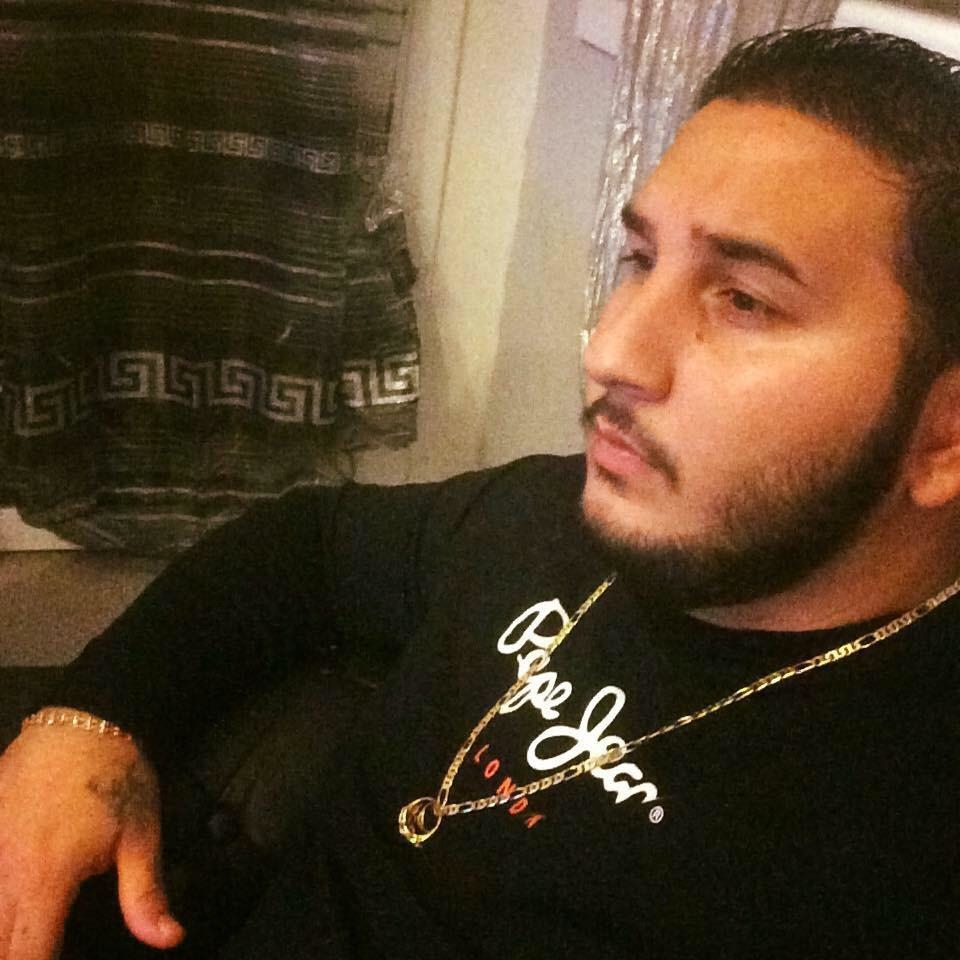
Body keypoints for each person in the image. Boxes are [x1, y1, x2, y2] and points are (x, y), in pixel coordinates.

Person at [1, 25, 959, 960]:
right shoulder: (561, 510)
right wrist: (88, 717)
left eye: (744, 299)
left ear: (946, 434)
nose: (610, 351)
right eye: (640, 260)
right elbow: (309, 545)